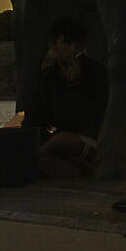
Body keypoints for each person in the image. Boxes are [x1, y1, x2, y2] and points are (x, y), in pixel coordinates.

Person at [23, 17, 107, 176]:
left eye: (77, 44)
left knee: (64, 140)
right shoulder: (48, 79)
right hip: (58, 145)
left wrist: (76, 85)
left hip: (91, 143)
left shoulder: (96, 74)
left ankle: (31, 159)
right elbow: (36, 118)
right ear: (53, 45)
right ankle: (74, 170)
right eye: (67, 43)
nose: (73, 49)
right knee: (47, 159)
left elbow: (93, 118)